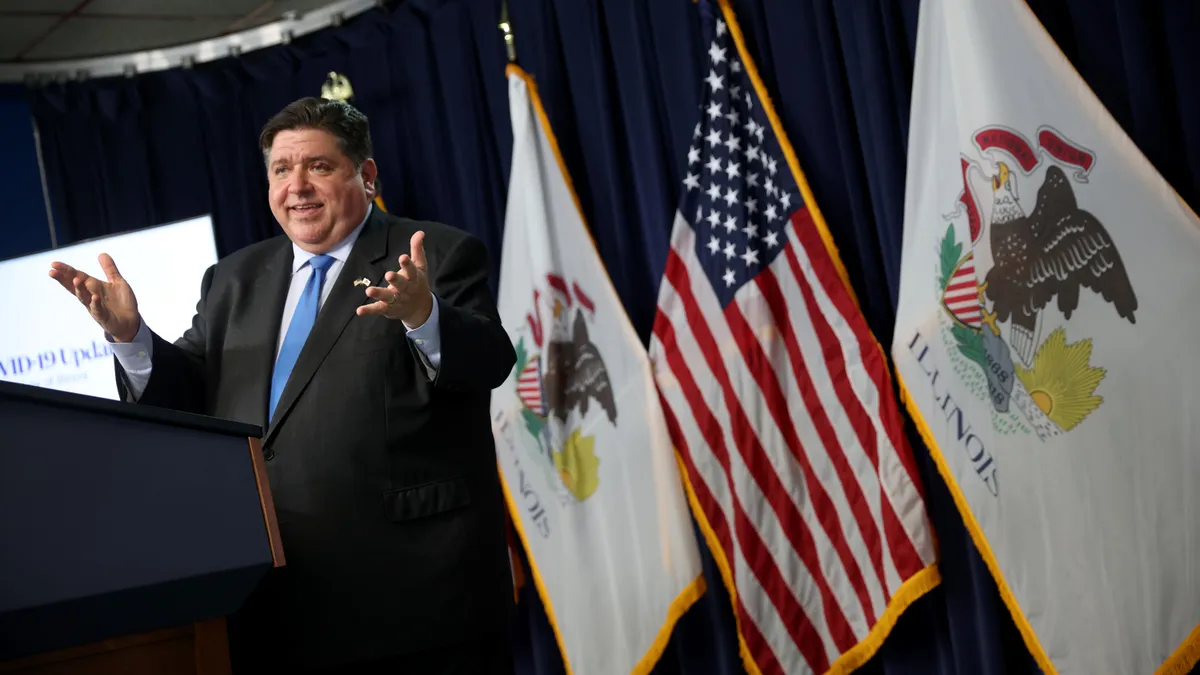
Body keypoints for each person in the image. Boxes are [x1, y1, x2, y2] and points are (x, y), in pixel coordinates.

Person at [48, 97, 518, 674]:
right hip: (272, 600)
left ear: (365, 176)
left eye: (318, 167)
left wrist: (424, 315)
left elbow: (490, 361)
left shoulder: (432, 253)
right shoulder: (234, 279)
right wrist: (131, 338)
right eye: (281, 170)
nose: (297, 187)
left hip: (412, 597)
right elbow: (189, 394)